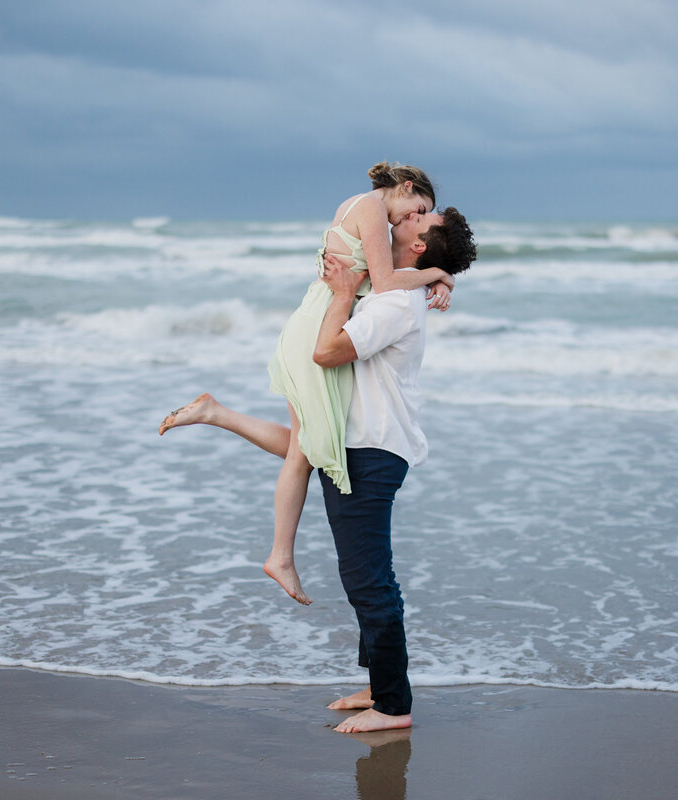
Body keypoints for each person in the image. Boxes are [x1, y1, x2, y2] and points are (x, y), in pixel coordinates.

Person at [161, 207, 478, 733]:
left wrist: (339, 295)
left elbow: (327, 352)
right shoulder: (395, 288)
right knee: (350, 545)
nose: (408, 215)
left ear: (420, 245)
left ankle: (394, 707)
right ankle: (380, 685)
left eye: (422, 218)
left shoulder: (395, 301)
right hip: (360, 441)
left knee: (368, 579)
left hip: (370, 451)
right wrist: (436, 277)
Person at [209, 162, 458, 607]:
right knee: (305, 448)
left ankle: (216, 414)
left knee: (308, 445)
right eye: (418, 208)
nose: (411, 219)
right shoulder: (370, 208)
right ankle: (280, 555)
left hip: (321, 315)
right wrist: (435, 275)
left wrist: (438, 275)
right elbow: (383, 283)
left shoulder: (363, 207)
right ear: (405, 188)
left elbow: (383, 281)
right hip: (321, 324)